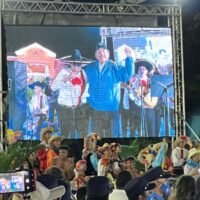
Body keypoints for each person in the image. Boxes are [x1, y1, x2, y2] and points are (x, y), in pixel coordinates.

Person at [84, 42, 134, 137]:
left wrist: (129, 58)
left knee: (112, 136)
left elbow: (126, 75)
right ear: (95, 54)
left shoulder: (114, 67)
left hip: (111, 108)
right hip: (95, 108)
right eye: (98, 51)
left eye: (103, 51)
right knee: (96, 136)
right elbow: (83, 81)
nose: (101, 53)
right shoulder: (90, 67)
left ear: (108, 53)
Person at [51, 49, 89, 138]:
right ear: (70, 64)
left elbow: (86, 90)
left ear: (81, 65)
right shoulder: (63, 72)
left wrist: (83, 103)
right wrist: (66, 79)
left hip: (79, 108)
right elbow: (53, 87)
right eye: (74, 64)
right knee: (65, 134)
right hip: (66, 110)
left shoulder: (84, 74)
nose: (76, 67)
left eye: (78, 64)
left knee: (82, 134)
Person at [129, 59, 158, 137]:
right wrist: (133, 92)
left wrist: (149, 103)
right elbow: (132, 97)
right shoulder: (134, 83)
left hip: (149, 110)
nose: (142, 71)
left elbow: (155, 97)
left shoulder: (152, 82)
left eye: (144, 69)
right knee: (140, 131)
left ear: (147, 71)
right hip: (138, 109)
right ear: (137, 71)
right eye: (140, 69)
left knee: (151, 130)